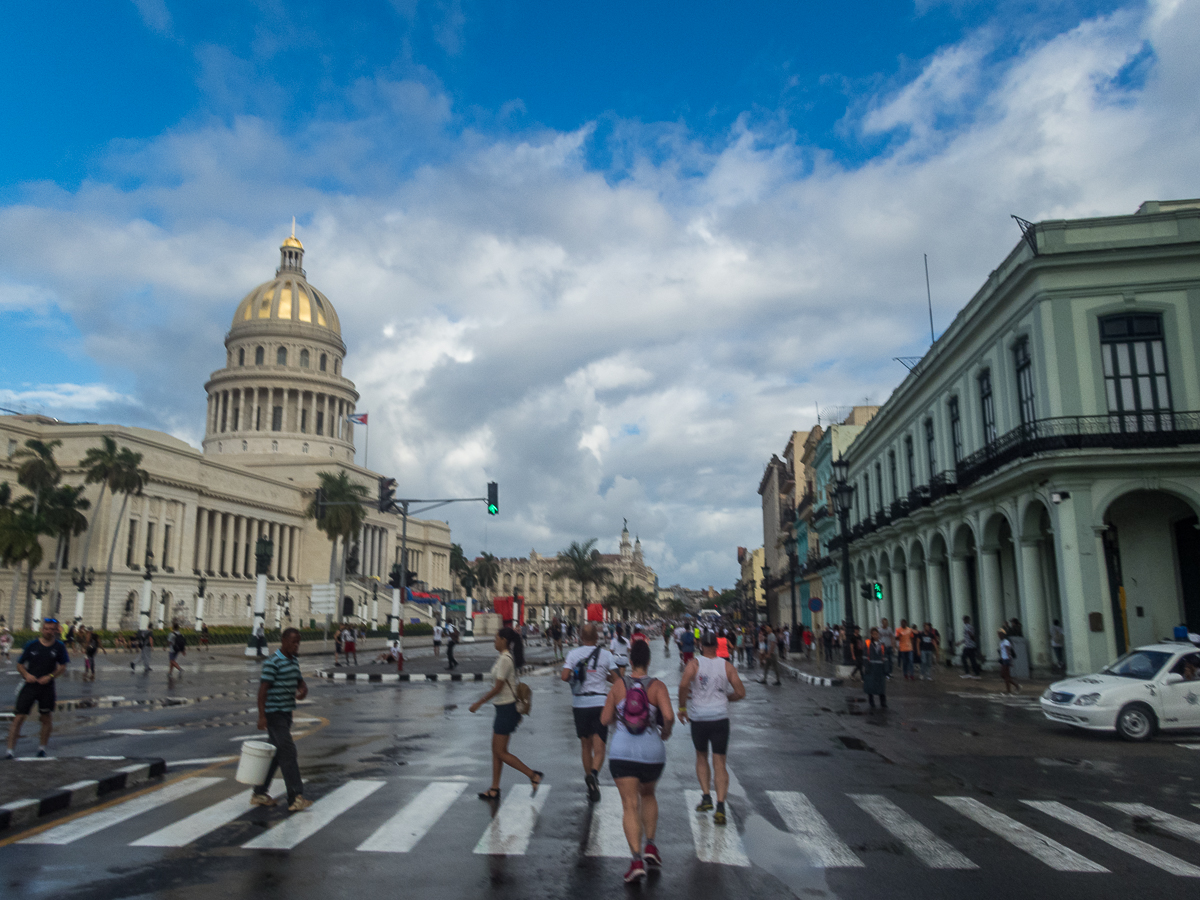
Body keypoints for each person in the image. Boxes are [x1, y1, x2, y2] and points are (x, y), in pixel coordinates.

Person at [601, 639, 674, 884]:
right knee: (649, 795)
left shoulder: (618, 686)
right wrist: (665, 732)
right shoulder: (658, 687)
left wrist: (617, 719)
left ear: (630, 661)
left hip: (622, 753)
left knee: (630, 805)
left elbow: (604, 719)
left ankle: (635, 861)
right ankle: (651, 847)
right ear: (649, 661)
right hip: (652, 753)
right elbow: (669, 716)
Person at [678, 630, 745, 827]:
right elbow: (741, 692)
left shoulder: (694, 664)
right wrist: (726, 698)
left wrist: (682, 708)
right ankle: (721, 807)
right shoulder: (726, 666)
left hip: (699, 717)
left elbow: (683, 685)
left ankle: (706, 796)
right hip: (720, 718)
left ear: (701, 646)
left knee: (701, 757)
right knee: (720, 762)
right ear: (717, 646)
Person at [470, 627, 542, 802]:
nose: (494, 641)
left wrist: (479, 702)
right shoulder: (504, 657)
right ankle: (494, 788)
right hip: (503, 708)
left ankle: (533, 775)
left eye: (496, 638)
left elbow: (498, 687)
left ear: (504, 640)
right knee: (497, 751)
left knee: (500, 752)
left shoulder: (505, 659)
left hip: (506, 709)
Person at [250, 627, 311, 811]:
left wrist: (303, 689)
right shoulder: (273, 662)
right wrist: (262, 716)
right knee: (288, 752)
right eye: (293, 642)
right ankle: (295, 797)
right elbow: (262, 691)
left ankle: (259, 793)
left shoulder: (293, 661)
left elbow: (299, 681)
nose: (296, 645)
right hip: (274, 714)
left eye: (298, 642)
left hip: (286, 713)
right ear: (283, 641)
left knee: (275, 755)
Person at [562, 622, 617, 802]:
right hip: (600, 703)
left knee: (585, 745)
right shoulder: (606, 655)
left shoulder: (573, 654)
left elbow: (564, 676)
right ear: (597, 637)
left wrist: (576, 675)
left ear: (580, 637)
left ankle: (589, 782)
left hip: (580, 704)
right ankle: (594, 775)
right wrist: (603, 675)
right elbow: (617, 680)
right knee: (599, 748)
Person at [6, 618, 69, 758]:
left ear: (56, 631)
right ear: (42, 629)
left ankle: (42, 748)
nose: (49, 632)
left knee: (46, 717)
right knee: (18, 717)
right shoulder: (32, 645)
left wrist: (50, 676)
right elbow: (20, 665)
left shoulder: (59, 647)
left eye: (52, 629)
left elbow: (63, 667)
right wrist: (26, 675)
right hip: (29, 685)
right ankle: (10, 750)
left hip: (46, 687)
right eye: (46, 629)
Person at [862, 627, 888, 709]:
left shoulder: (882, 644)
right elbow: (865, 656)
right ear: (872, 635)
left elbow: (885, 657)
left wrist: (886, 668)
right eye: (875, 634)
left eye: (877, 634)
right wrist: (866, 667)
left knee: (881, 686)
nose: (876, 636)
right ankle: (871, 701)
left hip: (880, 668)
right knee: (871, 685)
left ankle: (883, 702)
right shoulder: (868, 643)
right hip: (871, 667)